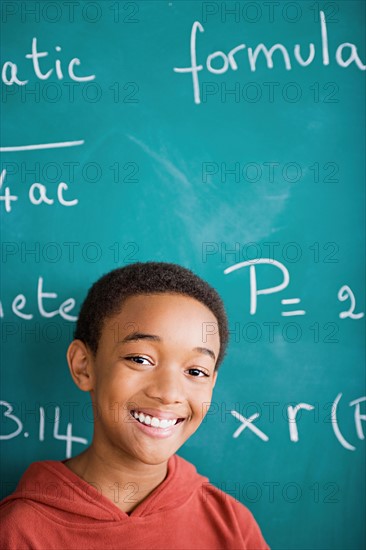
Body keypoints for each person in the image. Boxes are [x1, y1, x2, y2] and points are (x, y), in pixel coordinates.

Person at [0, 262, 269, 549]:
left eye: (195, 371)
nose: (169, 393)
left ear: (212, 382)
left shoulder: (232, 524)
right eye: (140, 359)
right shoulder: (21, 531)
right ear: (84, 366)